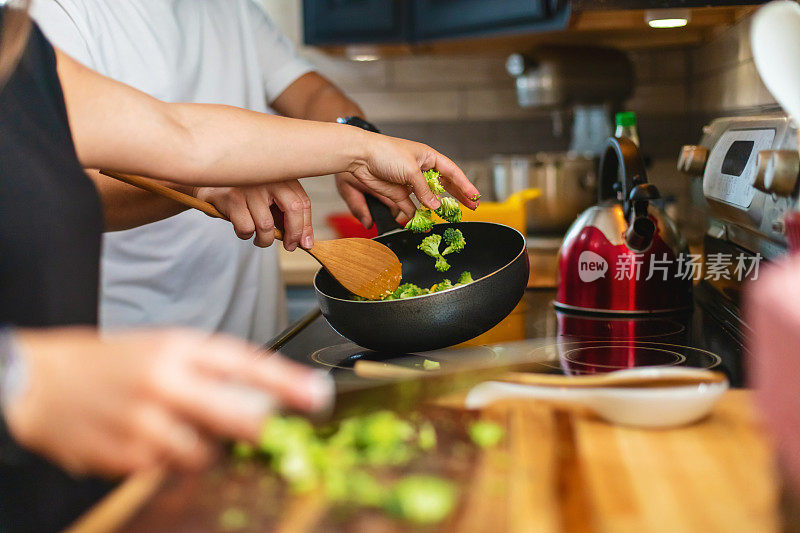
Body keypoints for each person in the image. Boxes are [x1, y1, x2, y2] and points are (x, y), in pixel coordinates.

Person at [0, 4, 479, 530]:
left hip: (60, 481)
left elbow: (181, 135)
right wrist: (23, 378)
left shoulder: (19, 49)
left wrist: (362, 150)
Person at [31, 0, 396, 344]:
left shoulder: (228, 6)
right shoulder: (56, 13)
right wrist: (199, 180)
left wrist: (354, 133)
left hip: (260, 339)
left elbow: (312, 94)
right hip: (141, 344)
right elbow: (60, 186)